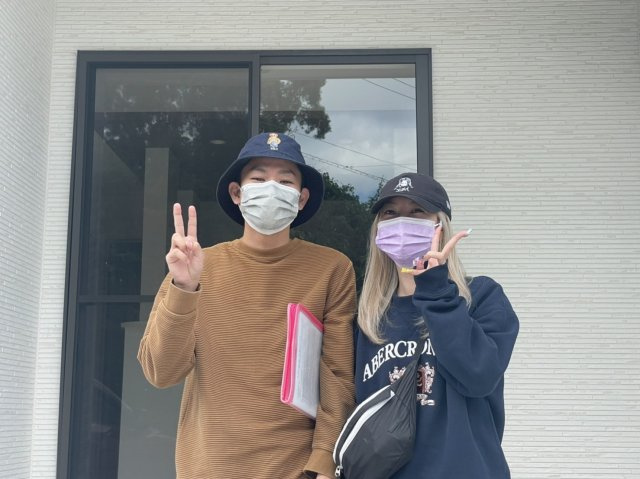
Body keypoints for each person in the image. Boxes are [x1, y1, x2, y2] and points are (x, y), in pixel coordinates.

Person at [138, 132, 356, 479]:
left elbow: (338, 376)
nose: (272, 188)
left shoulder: (331, 269)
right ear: (237, 193)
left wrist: (324, 461)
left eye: (285, 181)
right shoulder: (195, 266)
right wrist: (184, 288)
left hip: (295, 469)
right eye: (258, 178)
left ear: (301, 198)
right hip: (207, 468)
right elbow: (161, 373)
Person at [354, 172, 519, 478]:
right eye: (390, 213)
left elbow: (479, 376)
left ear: (440, 226)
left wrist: (435, 289)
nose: (402, 222)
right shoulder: (367, 317)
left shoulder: (481, 296)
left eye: (418, 211)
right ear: (377, 230)